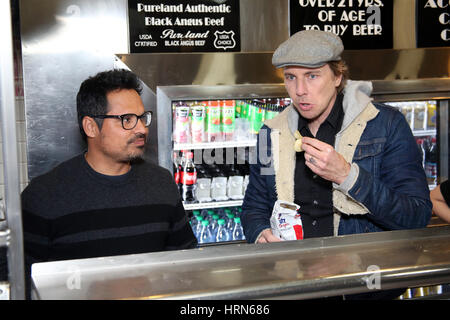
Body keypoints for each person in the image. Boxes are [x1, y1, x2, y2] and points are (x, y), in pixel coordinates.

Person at [21, 69, 197, 298]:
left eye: (142, 118)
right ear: (91, 127)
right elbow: (22, 282)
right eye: (127, 120)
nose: (142, 129)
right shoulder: (43, 196)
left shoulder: (161, 183)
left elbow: (184, 263)